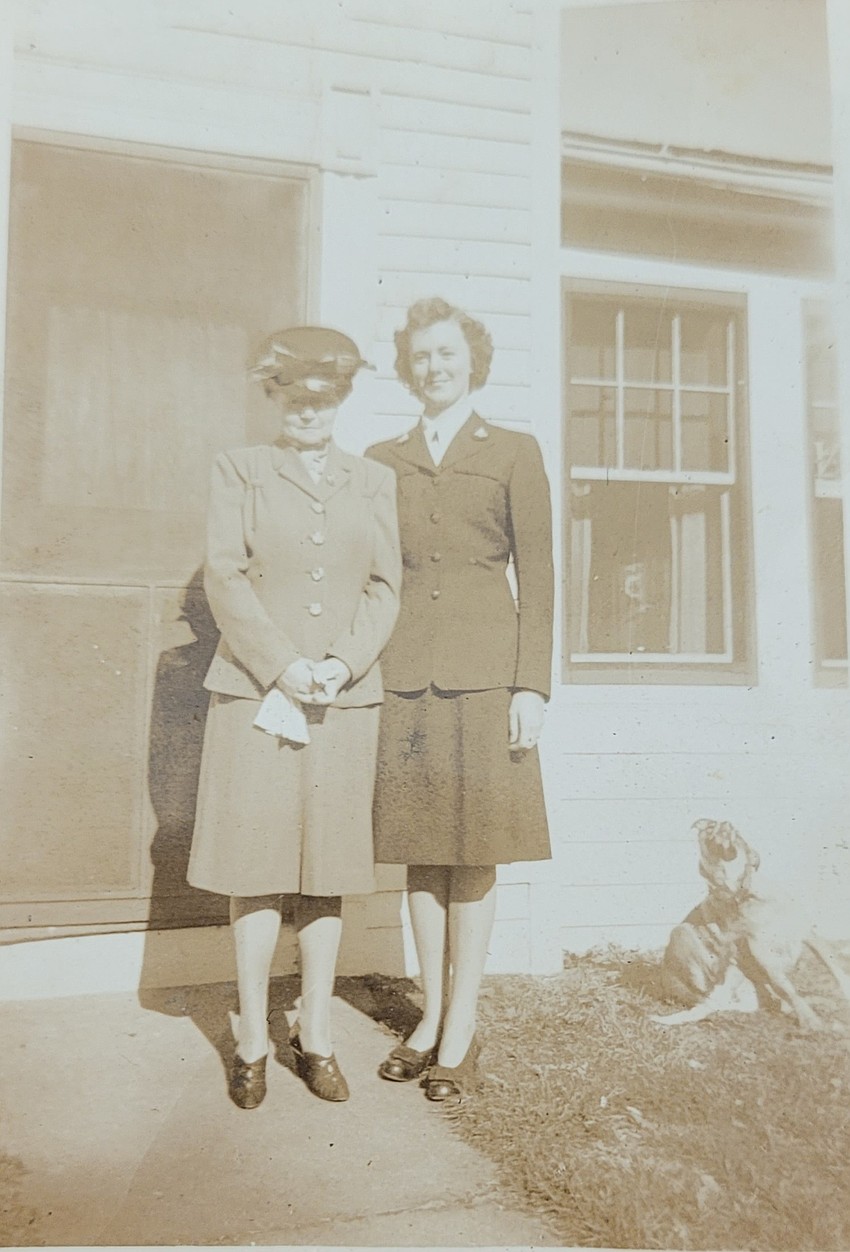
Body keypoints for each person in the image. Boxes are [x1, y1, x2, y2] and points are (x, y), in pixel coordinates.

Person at [187, 327, 401, 1108]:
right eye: (295, 396)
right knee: (256, 864)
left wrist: (343, 664)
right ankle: (250, 1036)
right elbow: (226, 574)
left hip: (344, 699)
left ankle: (315, 1033)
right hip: (258, 695)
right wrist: (283, 665)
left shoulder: (373, 480)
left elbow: (384, 586)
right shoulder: (240, 470)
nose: (311, 409)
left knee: (326, 870)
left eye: (326, 396)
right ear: (273, 397)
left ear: (342, 399)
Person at [367, 297, 554, 1102]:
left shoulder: (513, 450)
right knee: (420, 847)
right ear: (407, 367)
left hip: (485, 676)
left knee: (474, 849)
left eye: (447, 353)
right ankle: (429, 1018)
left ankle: (463, 1027)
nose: (434, 366)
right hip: (404, 674)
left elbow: (540, 578)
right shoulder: (382, 458)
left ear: (472, 361)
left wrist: (533, 685)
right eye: (421, 356)